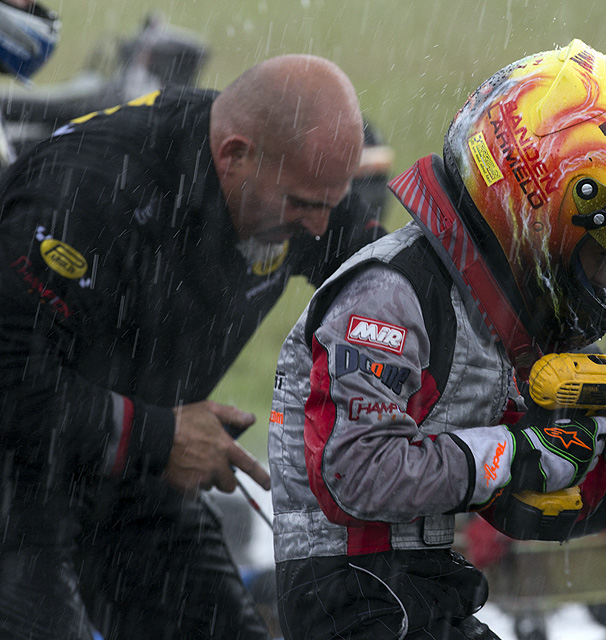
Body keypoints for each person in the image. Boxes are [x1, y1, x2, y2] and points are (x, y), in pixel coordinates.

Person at [269, 39, 606, 640]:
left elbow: (525, 512)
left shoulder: (485, 317)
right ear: (539, 212)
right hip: (353, 599)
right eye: (602, 253)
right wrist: (513, 453)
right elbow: (356, 472)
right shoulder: (390, 295)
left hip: (418, 591)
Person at [0, 53, 384, 639]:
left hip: (125, 474)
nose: (316, 228)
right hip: (18, 480)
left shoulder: (292, 183)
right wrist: (157, 434)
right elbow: (7, 379)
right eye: (304, 206)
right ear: (234, 156)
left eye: (329, 206)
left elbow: (385, 280)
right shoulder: (90, 191)